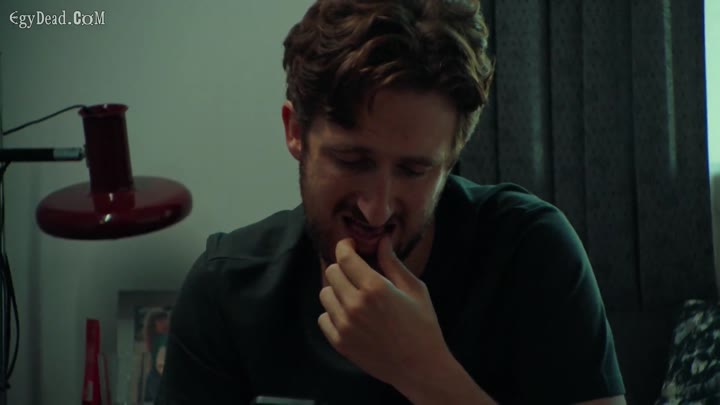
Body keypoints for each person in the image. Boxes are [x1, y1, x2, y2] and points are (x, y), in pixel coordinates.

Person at [156, 0, 626, 404]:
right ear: (295, 132)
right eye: (352, 160)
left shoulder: (532, 254)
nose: (376, 209)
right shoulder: (226, 290)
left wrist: (423, 372)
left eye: (414, 171)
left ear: (451, 159)